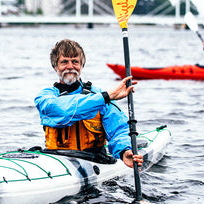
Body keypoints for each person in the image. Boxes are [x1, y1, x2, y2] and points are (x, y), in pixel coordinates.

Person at [34, 39, 143, 169]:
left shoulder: (99, 95)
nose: (70, 66)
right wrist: (106, 97)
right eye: (64, 62)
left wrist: (124, 151)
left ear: (81, 65)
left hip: (94, 160)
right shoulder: (45, 97)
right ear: (55, 67)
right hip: (57, 160)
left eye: (75, 61)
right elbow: (64, 110)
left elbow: (118, 129)